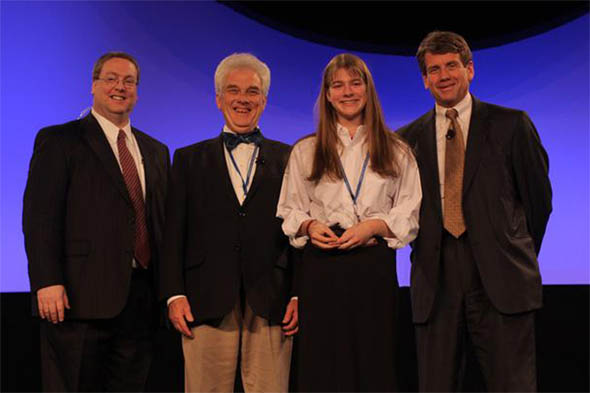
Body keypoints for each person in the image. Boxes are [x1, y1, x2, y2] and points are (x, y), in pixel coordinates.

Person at [397, 31, 553, 391]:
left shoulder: (511, 125)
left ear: (469, 69)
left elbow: (538, 201)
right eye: (434, 69)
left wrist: (510, 251)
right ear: (424, 80)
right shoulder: (407, 139)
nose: (444, 75)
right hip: (436, 284)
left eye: (452, 65)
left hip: (502, 281)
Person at [22, 51, 170, 391]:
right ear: (93, 86)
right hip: (77, 299)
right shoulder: (60, 140)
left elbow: (160, 223)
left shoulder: (156, 150)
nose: (120, 87)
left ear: (137, 90)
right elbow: (40, 215)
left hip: (140, 299)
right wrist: (47, 280)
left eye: (129, 81)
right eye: (111, 79)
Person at [277, 53, 421, 392]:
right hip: (322, 268)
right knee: (323, 364)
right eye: (338, 85)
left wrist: (374, 226)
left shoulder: (397, 150)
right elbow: (289, 209)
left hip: (372, 265)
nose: (347, 92)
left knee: (373, 361)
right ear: (327, 95)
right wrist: (310, 227)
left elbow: (410, 211)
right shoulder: (305, 150)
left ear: (368, 90)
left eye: (355, 83)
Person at [159, 53, 297, 393]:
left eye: (252, 91)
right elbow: (173, 233)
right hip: (204, 297)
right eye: (233, 91)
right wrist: (173, 294)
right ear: (219, 99)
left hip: (271, 297)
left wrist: (298, 294)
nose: (243, 99)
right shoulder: (188, 159)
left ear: (264, 100)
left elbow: (299, 231)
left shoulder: (290, 157)